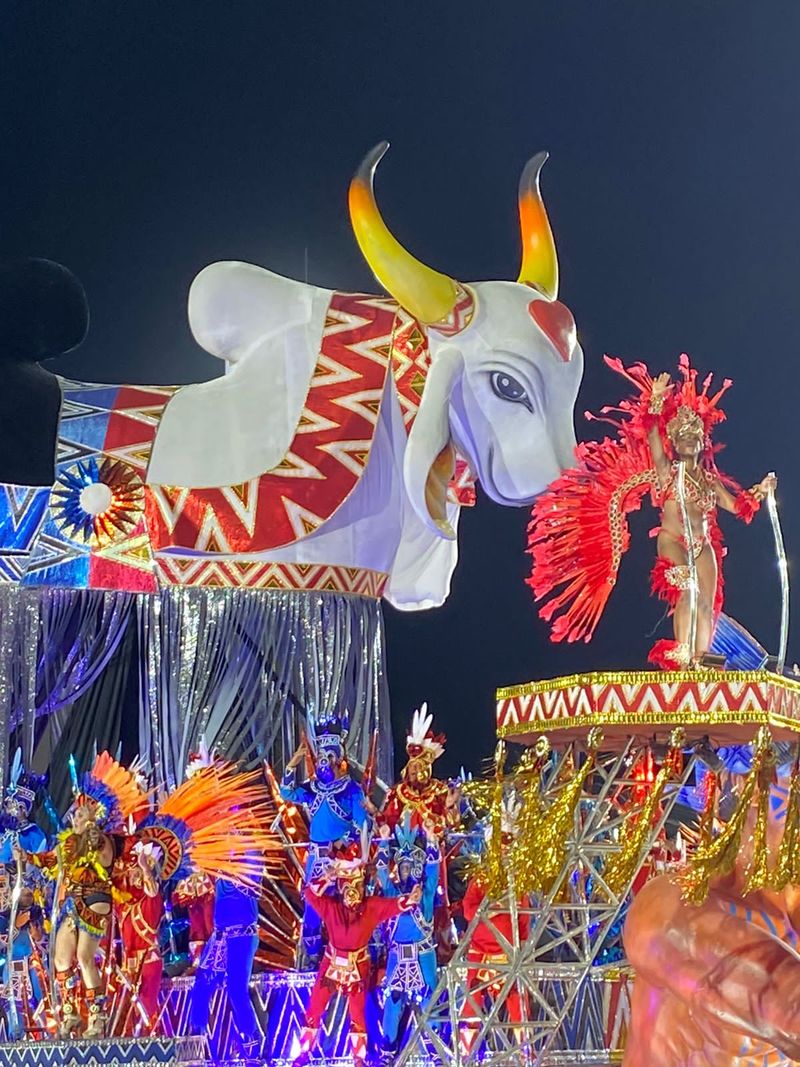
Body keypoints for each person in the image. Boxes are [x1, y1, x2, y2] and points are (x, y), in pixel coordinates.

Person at [528, 354, 776, 667]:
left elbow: (738, 508)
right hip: (673, 539)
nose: (688, 440)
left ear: (703, 442)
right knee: (687, 588)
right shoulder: (666, 471)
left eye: (694, 436)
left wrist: (759, 491)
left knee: (707, 602)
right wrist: (655, 402)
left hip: (705, 544)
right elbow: (653, 436)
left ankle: (702, 658)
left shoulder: (710, 481)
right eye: (682, 436)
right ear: (675, 441)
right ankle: (683, 653)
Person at [18, 752, 147, 1038]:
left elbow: (102, 859)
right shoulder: (69, 844)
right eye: (74, 813)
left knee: (84, 957)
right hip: (71, 903)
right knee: (62, 959)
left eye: (79, 813)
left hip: (96, 899)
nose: (73, 817)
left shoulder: (105, 841)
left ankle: (98, 1018)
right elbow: (51, 860)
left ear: (94, 814)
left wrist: (90, 828)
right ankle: (70, 1013)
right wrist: (25, 855)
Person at [293, 843, 421, 1067]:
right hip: (331, 964)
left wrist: (411, 899)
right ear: (341, 888)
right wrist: (327, 876)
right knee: (315, 1006)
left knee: (357, 1014)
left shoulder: (371, 906)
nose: (353, 893)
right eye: (348, 887)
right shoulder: (331, 907)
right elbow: (309, 894)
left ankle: (359, 1059)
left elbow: (395, 905)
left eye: (357, 887)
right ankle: (304, 1052)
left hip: (358, 967)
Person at [281, 717, 370, 965]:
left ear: (338, 759)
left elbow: (362, 823)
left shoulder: (351, 789)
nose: (325, 761)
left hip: (341, 858)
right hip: (316, 857)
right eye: (322, 756)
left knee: (344, 904)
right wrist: (292, 765)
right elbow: (287, 793)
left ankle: (343, 950)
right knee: (313, 903)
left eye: (330, 756)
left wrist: (344, 841)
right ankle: (311, 955)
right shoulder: (312, 788)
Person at [376, 817, 440, 1061]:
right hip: (397, 954)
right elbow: (382, 873)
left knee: (428, 998)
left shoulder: (425, 893)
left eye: (409, 865)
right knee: (392, 1000)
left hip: (423, 953)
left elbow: (433, 870)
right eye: (401, 866)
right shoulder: (392, 893)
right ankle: (388, 1050)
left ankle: (434, 1050)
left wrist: (432, 838)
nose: (405, 870)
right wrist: (383, 841)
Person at [113, 837, 164, 1032]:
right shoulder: (124, 905)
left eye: (137, 873)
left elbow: (152, 892)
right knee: (125, 1016)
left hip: (148, 963)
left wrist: (145, 869)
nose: (133, 876)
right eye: (132, 872)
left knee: (146, 1010)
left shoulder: (151, 902)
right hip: (128, 967)